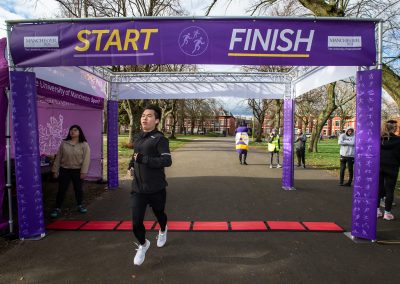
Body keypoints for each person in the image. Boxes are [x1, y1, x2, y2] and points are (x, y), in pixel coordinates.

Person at [128, 105, 172, 266]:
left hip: (156, 188)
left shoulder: (160, 139)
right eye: (143, 116)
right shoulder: (139, 137)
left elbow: (167, 161)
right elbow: (135, 156)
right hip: (138, 189)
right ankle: (143, 244)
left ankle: (163, 229)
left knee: (160, 214)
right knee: (136, 223)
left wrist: (144, 160)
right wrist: (130, 165)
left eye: (149, 116)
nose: (144, 118)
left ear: (157, 120)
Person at [50, 125, 91, 218]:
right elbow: (58, 157)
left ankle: (80, 205)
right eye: (71, 130)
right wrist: (55, 170)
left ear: (79, 132)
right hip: (65, 170)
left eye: (75, 130)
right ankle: (57, 208)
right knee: (61, 189)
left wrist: (83, 172)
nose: (72, 132)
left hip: (77, 171)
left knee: (78, 189)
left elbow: (86, 159)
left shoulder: (84, 144)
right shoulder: (64, 143)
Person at [377, 120, 400, 220]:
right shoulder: (398, 140)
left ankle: (377, 211)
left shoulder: (379, 139)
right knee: (390, 190)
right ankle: (387, 213)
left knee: (378, 188)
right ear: (394, 128)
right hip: (392, 167)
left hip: (379, 166)